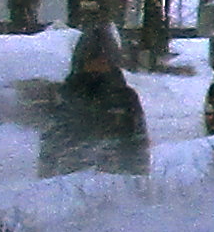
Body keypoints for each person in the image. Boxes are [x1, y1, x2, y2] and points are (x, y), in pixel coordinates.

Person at [38, 18, 148, 176]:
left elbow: (139, 146)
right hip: (70, 183)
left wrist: (139, 180)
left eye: (105, 60)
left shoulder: (125, 98)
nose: (99, 64)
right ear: (81, 61)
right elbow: (49, 147)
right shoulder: (65, 96)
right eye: (93, 59)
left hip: (115, 183)